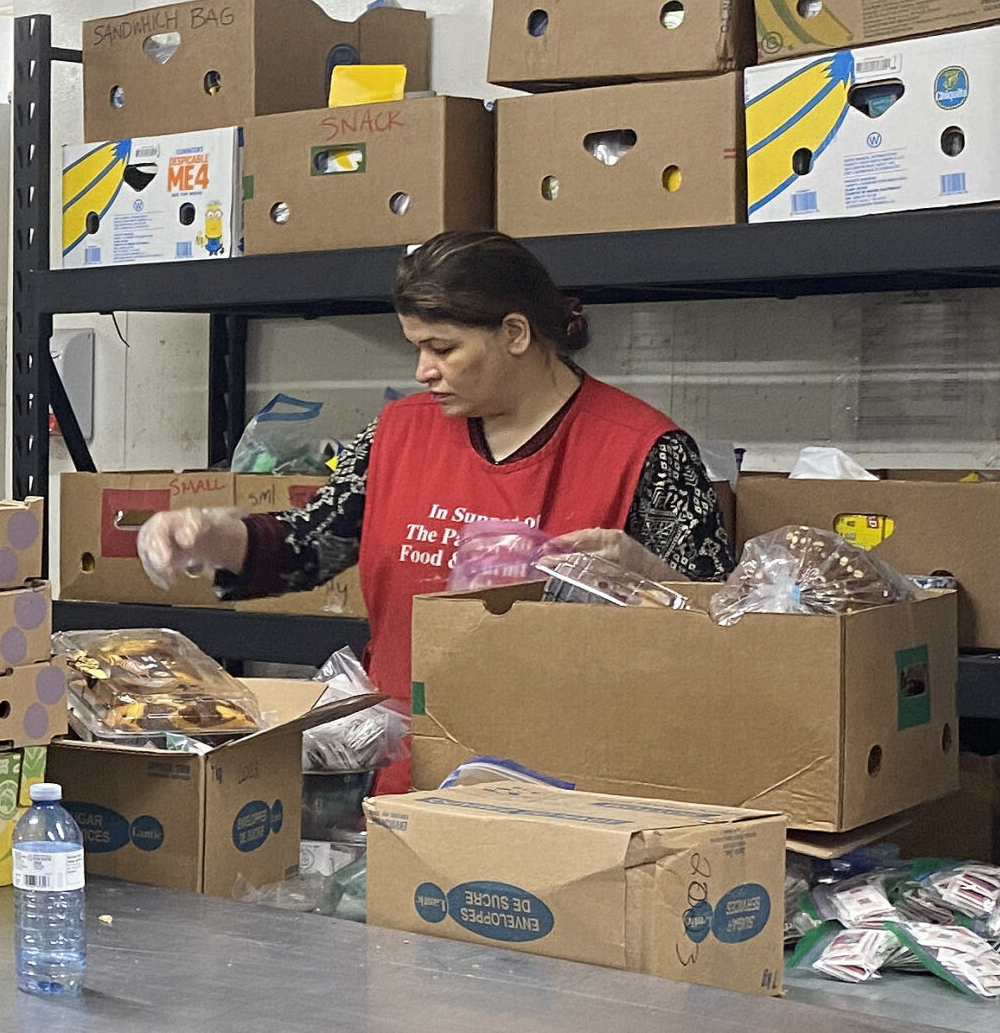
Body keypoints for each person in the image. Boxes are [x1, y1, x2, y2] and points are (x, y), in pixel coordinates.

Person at [138, 231, 735, 793]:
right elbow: (312, 544)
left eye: (442, 348)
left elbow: (730, 638)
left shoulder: (643, 451)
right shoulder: (396, 435)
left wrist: (649, 574)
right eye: (417, 348)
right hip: (406, 775)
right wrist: (214, 536)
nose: (423, 371)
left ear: (516, 333)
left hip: (573, 789)